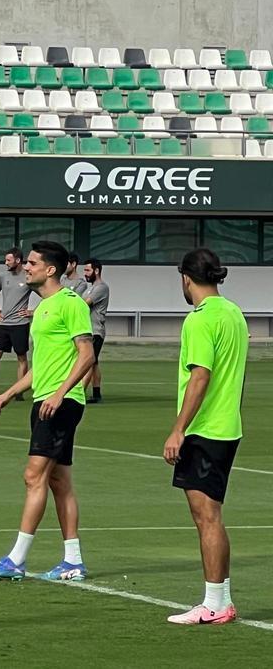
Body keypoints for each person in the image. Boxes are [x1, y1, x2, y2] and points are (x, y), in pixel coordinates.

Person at [0, 241, 95, 582]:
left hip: (60, 404)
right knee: (59, 480)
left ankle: (16, 559)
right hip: (46, 400)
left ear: (50, 269)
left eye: (31, 263)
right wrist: (10, 392)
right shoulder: (42, 308)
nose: (25, 268)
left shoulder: (70, 303)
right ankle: (73, 560)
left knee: (33, 475)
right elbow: (40, 366)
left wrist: (60, 394)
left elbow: (86, 355)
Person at [162, 248, 247, 625]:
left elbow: (201, 375)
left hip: (204, 429)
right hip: (227, 427)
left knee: (206, 517)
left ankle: (214, 603)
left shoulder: (199, 320)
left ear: (186, 278)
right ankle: (220, 600)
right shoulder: (234, 313)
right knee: (211, 516)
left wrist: (178, 429)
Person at [0, 247, 34, 402]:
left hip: (20, 324)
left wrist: (33, 312)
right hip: (4, 324)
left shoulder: (29, 277)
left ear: (17, 260)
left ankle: (19, 392)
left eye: (8, 260)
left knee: (21, 357)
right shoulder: (2, 276)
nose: (6, 263)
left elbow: (47, 294)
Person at [82, 259, 110, 404]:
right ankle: (97, 394)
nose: (85, 273)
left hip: (95, 331)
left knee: (87, 362)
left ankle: (79, 394)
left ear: (96, 271)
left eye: (87, 270)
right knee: (94, 363)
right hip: (89, 330)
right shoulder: (90, 288)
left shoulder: (101, 288)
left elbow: (84, 304)